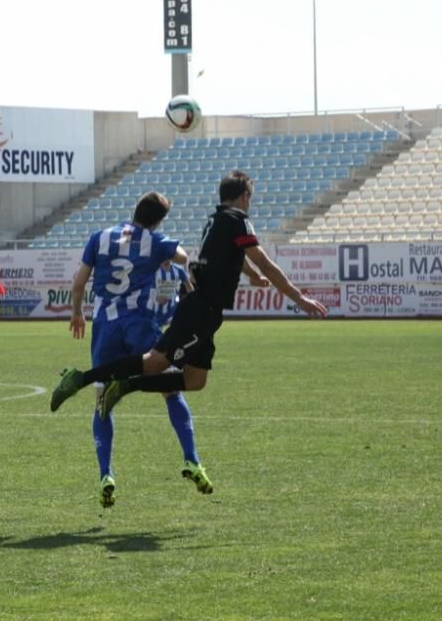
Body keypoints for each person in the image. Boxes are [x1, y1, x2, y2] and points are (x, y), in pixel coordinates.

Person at [51, 170, 328, 493]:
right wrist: (299, 298)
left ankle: (111, 456)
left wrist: (76, 314)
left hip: (137, 320)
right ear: (244, 197)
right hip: (182, 314)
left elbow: (79, 282)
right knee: (157, 368)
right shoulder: (219, 225)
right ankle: (86, 380)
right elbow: (241, 261)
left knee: (192, 380)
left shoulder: (213, 221)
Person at [51, 191, 202, 508]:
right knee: (171, 388)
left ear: (135, 211)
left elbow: (78, 284)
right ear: (159, 220)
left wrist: (77, 313)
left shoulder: (100, 237)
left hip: (105, 328)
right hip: (140, 327)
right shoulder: (155, 241)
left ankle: (106, 473)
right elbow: (185, 257)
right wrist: (167, 256)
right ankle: (191, 459)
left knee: (102, 399)